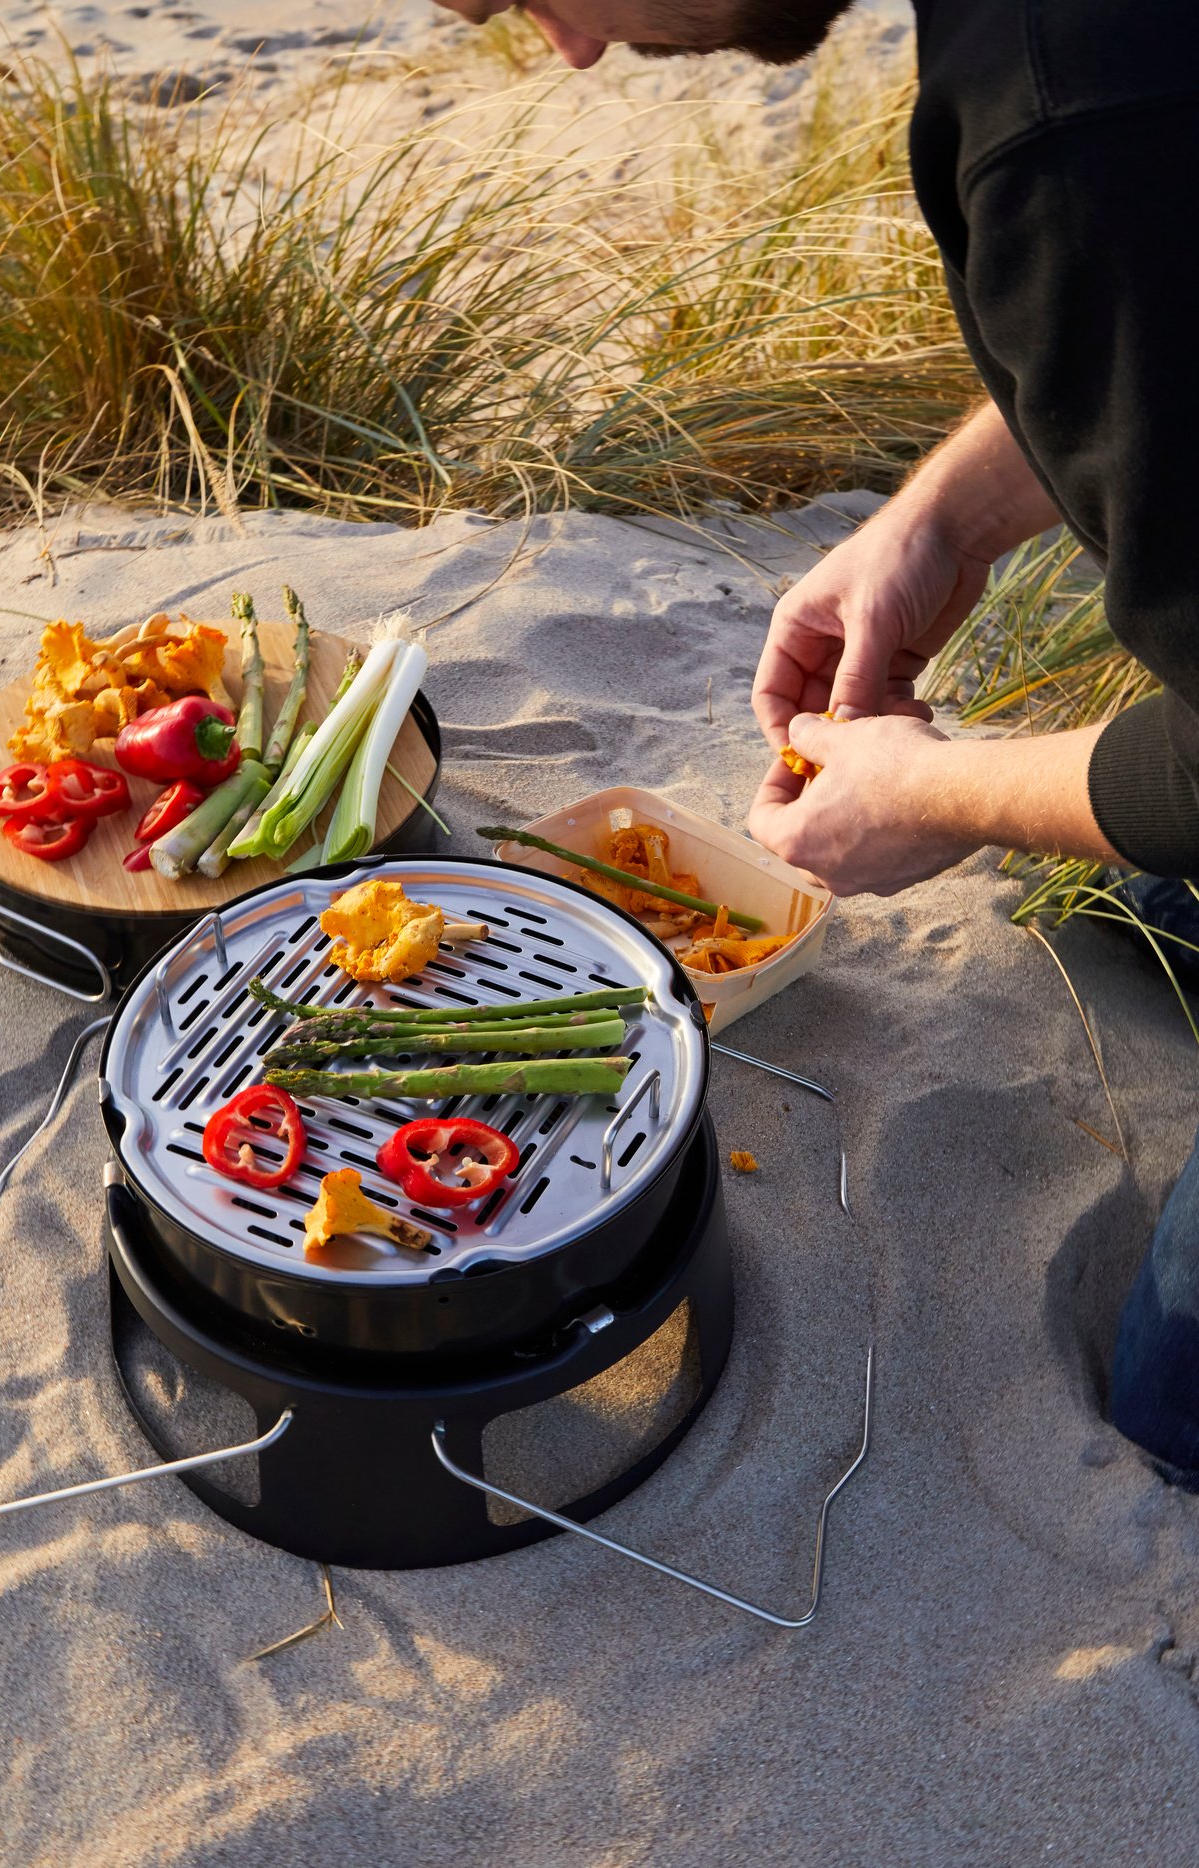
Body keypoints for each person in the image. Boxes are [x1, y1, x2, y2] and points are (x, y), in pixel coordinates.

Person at [430, 0, 1199, 1483]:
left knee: (1176, 1411)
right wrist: (943, 521)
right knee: (1110, 888)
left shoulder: (1060, 128)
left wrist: (947, 790)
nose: (571, 49)